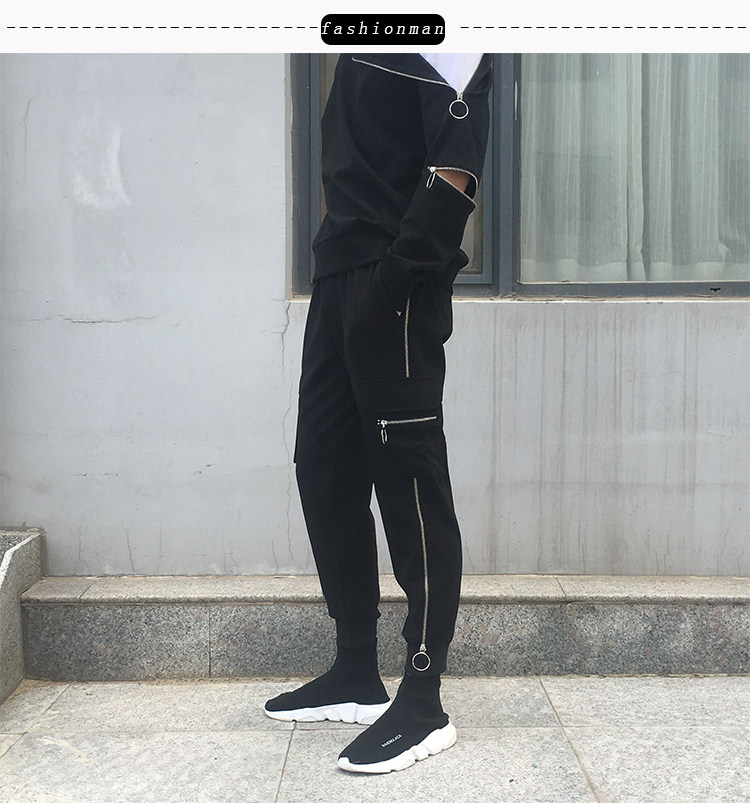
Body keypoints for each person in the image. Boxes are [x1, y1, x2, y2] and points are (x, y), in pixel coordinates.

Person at [264, 52, 492, 774]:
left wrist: (399, 278)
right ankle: (356, 668)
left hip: (394, 283)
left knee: (411, 484)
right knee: (324, 469)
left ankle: (423, 700)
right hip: (338, 272)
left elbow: (455, 164)